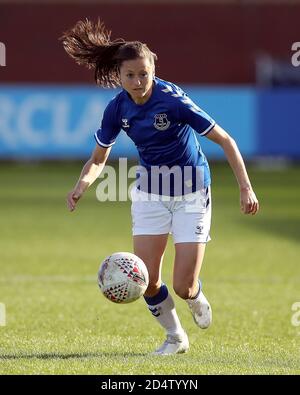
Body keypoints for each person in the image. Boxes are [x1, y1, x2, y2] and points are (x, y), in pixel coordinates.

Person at [62, 19, 259, 356]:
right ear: (119, 76)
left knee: (182, 285)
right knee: (146, 280)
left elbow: (225, 139)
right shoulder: (117, 109)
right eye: (130, 76)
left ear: (153, 69)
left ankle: (195, 296)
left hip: (191, 193)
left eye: (144, 74)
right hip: (151, 194)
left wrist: (246, 187)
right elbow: (98, 158)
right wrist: (81, 184)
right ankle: (175, 338)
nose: (138, 82)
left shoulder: (173, 100)